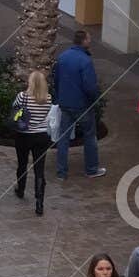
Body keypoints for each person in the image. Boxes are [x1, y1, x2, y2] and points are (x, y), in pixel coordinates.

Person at [52, 29, 106, 180]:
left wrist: (58, 97)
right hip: (82, 106)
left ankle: (61, 172)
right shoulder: (85, 61)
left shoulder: (62, 57)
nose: (91, 41)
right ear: (84, 41)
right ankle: (91, 169)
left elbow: (56, 80)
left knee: (63, 138)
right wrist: (95, 99)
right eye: (89, 38)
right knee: (89, 136)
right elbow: (90, 86)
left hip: (65, 104)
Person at [12, 69, 53, 216]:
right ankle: (39, 202)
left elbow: (14, 110)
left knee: (22, 163)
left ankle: (21, 188)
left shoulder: (22, 96)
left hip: (24, 135)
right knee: (39, 169)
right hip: (41, 136)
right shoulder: (48, 98)